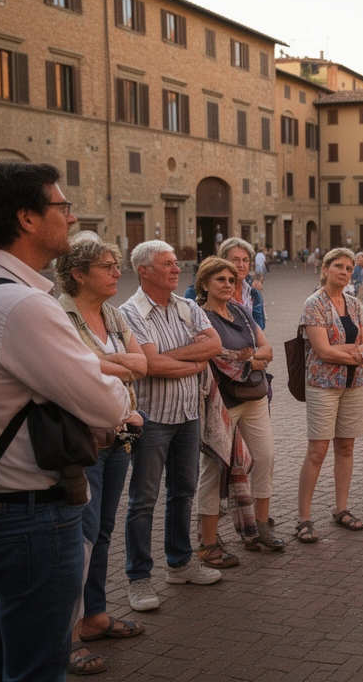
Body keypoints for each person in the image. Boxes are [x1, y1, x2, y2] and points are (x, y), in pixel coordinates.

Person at [0, 162, 132, 680]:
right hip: (31, 518)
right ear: (27, 219)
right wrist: (117, 383)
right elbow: (110, 406)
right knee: (36, 669)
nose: (72, 215)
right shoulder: (20, 305)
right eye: (61, 207)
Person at [56, 233, 149, 675]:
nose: (117, 272)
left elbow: (143, 363)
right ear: (78, 274)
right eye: (108, 266)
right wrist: (116, 364)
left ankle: (94, 614)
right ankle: (68, 634)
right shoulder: (59, 313)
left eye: (117, 265)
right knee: (82, 537)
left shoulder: (111, 314)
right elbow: (78, 367)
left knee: (103, 529)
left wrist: (105, 363)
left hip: (121, 434)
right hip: (84, 439)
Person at [120, 241, 225, 613]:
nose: (176, 268)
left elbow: (214, 345)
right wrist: (190, 362)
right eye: (167, 264)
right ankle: (138, 577)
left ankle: (180, 563)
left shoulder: (187, 306)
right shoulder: (130, 312)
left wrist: (169, 358)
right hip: (151, 418)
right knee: (143, 500)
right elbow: (148, 366)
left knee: (183, 492)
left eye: (175, 262)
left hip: (188, 413)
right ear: (144, 271)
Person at [193, 257, 282, 565]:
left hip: (253, 396)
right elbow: (219, 357)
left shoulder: (242, 312)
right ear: (204, 284)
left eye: (232, 280)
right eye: (220, 279)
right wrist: (249, 358)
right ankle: (208, 541)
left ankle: (259, 527)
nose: (228, 285)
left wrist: (246, 358)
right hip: (221, 404)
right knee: (215, 468)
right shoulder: (199, 317)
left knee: (265, 456)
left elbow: (267, 349)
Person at [296, 247, 363, 542]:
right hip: (323, 385)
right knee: (317, 451)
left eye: (349, 268)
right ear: (325, 269)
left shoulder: (354, 304)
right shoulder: (313, 304)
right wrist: (354, 353)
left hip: (354, 384)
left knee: (346, 447)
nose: (344, 271)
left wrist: (348, 352)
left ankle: (341, 509)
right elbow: (321, 350)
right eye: (338, 266)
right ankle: (303, 517)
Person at [184, 237, 265, 330]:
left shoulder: (253, 294)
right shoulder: (195, 292)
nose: (241, 265)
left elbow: (260, 327)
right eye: (235, 259)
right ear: (223, 261)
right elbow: (189, 328)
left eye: (245, 260)